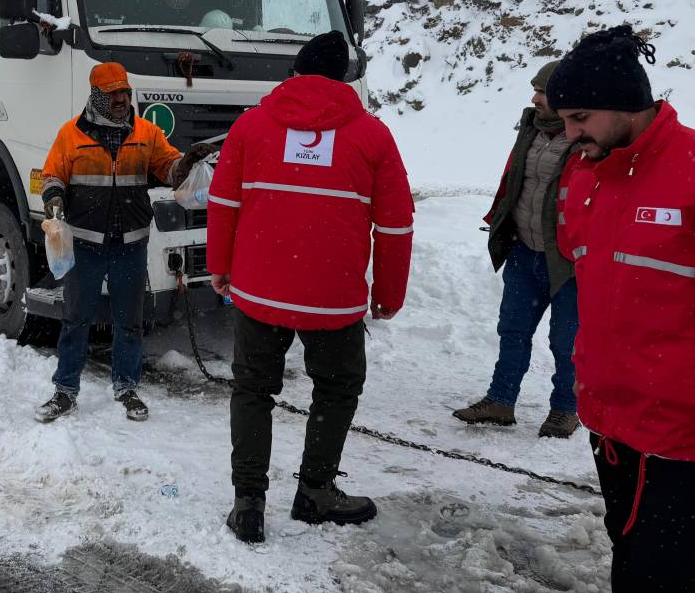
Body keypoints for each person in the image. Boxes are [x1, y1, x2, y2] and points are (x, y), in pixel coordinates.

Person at [207, 30, 414, 543]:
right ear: (345, 78)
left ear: (295, 73)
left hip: (259, 292)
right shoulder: (372, 135)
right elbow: (395, 223)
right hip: (333, 298)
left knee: (253, 389)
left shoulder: (252, 125)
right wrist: (389, 293)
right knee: (337, 389)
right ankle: (315, 491)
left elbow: (223, 201)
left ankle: (249, 503)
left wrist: (219, 265)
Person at [549, 26, 695, 593]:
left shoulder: (688, 172)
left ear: (624, 104)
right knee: (629, 557)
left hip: (679, 437)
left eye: (580, 117)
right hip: (611, 424)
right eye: (564, 119)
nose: (570, 133)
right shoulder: (589, 177)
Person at [34, 62, 215, 423]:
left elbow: (169, 169)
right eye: (113, 93)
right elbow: (52, 173)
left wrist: (186, 163)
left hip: (130, 244)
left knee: (129, 321)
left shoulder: (146, 133)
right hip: (84, 245)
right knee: (75, 320)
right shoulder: (71, 134)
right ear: (97, 97)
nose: (121, 99)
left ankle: (127, 387)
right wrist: (53, 197)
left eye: (125, 92)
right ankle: (65, 391)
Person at [452, 62, 580, 437]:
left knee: (566, 340)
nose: (534, 97)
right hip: (524, 251)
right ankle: (501, 401)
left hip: (567, 260)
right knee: (513, 329)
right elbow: (513, 178)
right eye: (535, 89)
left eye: (543, 91)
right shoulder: (531, 129)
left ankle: (565, 409)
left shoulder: (585, 138)